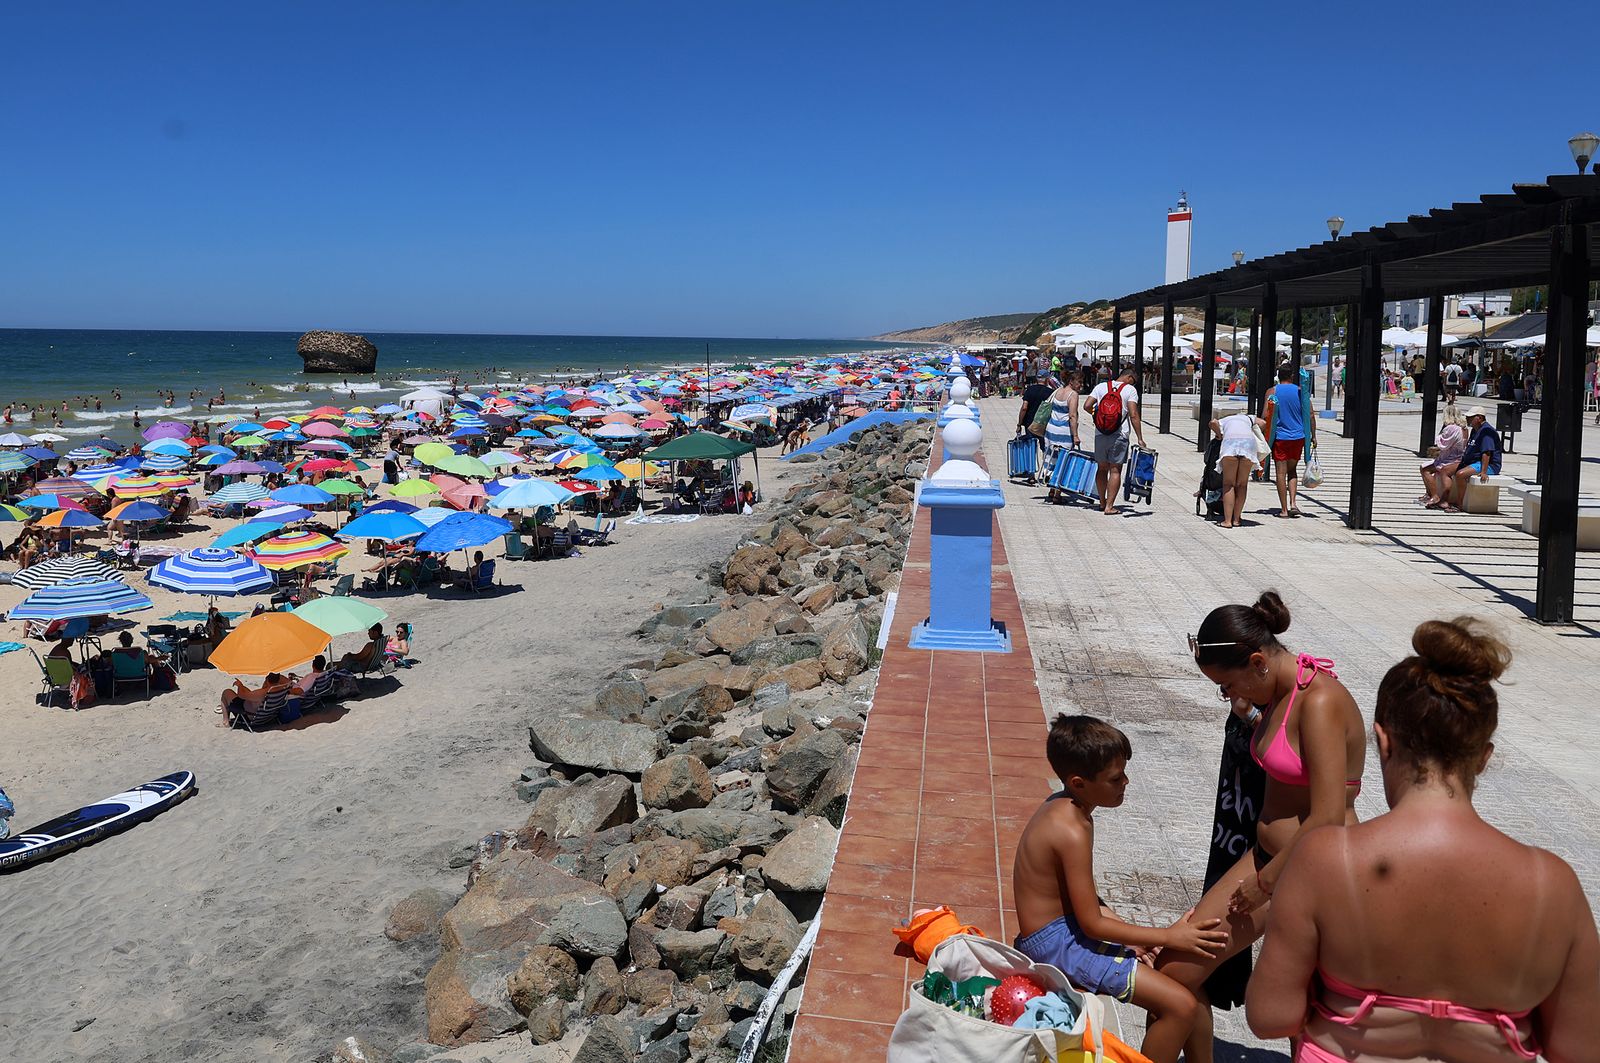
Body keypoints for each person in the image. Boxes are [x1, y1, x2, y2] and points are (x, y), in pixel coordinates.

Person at [1248, 617, 1600, 1061]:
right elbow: (1581, 1049)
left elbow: (1270, 1015)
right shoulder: (1554, 884)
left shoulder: (1325, 859)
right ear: (1484, 757)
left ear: (1383, 743)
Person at [1154, 592, 1367, 1063]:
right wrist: (1251, 717)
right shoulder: (1278, 695)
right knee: (1171, 973)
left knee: (1301, 1013)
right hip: (1267, 860)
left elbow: (1328, 815)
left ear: (1257, 662)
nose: (1230, 696)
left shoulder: (1321, 702)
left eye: (1229, 685)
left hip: (1311, 872)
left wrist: (1264, 884)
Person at [1013, 715, 1228, 1063]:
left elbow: (1081, 901)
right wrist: (1168, 937)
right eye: (1115, 778)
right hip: (1057, 945)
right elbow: (1091, 925)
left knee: (1190, 986)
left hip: (1064, 930)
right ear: (1079, 782)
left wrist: (1133, 936)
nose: (1126, 782)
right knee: (1180, 1006)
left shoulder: (1067, 806)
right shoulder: (1071, 829)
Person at [1083, 365, 1147, 515]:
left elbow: (1086, 405)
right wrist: (1140, 438)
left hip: (1100, 433)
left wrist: (1097, 416)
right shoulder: (1130, 390)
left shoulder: (1100, 387)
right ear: (1129, 377)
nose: (1133, 384)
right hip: (1119, 435)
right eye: (1134, 381)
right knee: (1115, 470)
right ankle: (1109, 506)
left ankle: (1102, 502)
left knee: (1102, 468)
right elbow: (1133, 414)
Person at [1263, 364, 1312, 518]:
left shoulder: (1272, 391)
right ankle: (1293, 503)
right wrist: (1314, 435)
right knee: (1292, 471)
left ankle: (1284, 510)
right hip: (1298, 437)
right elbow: (1310, 414)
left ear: (1279, 376)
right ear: (1291, 376)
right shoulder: (1300, 391)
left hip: (1280, 438)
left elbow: (1265, 415)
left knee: (1280, 473)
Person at [1208, 410, 1267, 529]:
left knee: (1228, 484)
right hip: (1248, 444)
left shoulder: (1225, 420)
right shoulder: (1249, 418)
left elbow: (1213, 422)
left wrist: (1219, 435)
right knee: (1242, 484)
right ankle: (1236, 519)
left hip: (1230, 444)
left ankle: (1227, 521)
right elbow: (1263, 423)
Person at [1442, 406, 1502, 513]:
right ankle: (1443, 499)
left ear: (1479, 418)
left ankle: (1459, 504)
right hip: (1474, 462)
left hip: (1489, 465)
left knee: (1460, 474)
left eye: (1470, 417)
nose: (1468, 419)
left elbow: (1487, 453)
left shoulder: (1487, 431)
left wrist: (1483, 471)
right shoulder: (1475, 429)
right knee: (1445, 470)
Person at [1042, 371, 1081, 503]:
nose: (1080, 386)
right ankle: (1057, 494)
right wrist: (1075, 435)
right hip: (1064, 432)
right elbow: (1072, 416)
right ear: (1071, 381)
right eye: (1079, 382)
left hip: (1051, 429)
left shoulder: (1057, 391)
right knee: (1063, 461)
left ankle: (1051, 489)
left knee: (1051, 459)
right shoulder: (1073, 395)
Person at [1418, 406, 1467, 507]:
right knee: (1424, 467)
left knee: (1426, 470)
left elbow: (1443, 445)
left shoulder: (1451, 428)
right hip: (1458, 457)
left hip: (1450, 459)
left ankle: (1434, 496)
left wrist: (1440, 435)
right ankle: (1429, 494)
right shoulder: (1464, 428)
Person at [219, 672, 292, 727]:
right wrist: (275, 672)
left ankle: (226, 722)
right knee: (246, 690)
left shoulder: (262, 693)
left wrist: (239, 685)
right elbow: (287, 680)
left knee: (226, 692)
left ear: (267, 680)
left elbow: (241, 695)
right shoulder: (284, 687)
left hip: (249, 715)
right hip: (268, 715)